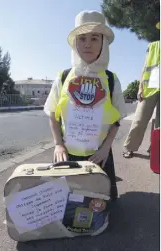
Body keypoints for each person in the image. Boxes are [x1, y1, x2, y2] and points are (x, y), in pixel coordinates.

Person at [44, 10, 127, 200]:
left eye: (94, 38)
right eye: (82, 38)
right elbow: (52, 114)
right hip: (67, 155)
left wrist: (106, 148)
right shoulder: (63, 77)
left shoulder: (111, 80)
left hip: (98, 156)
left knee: (98, 205)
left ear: (103, 42)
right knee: (65, 204)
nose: (88, 44)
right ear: (75, 43)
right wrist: (58, 145)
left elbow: (116, 121)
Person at [123, 22, 160, 158]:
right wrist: (140, 87)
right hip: (150, 86)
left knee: (160, 123)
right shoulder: (153, 46)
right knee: (139, 119)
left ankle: (156, 149)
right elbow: (145, 68)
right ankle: (129, 147)